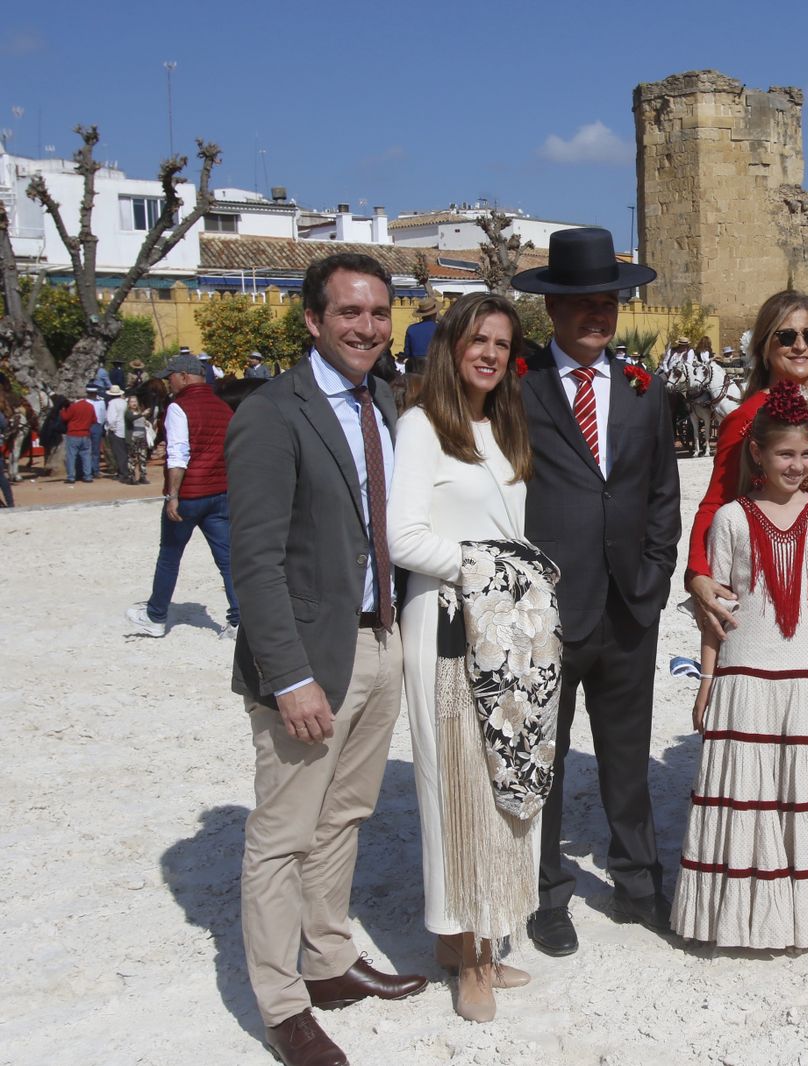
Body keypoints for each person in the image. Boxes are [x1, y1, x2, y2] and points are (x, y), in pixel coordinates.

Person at [228, 254, 427, 1066]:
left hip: (380, 641)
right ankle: (282, 1006)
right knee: (282, 835)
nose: (367, 327)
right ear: (312, 320)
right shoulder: (274, 415)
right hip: (311, 657)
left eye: (379, 313)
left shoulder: (383, 400)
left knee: (344, 817)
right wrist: (290, 676)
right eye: (349, 312)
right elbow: (256, 561)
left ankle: (329, 960)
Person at [512, 227, 682, 954]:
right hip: (547, 610)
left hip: (628, 606)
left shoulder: (645, 391)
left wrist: (653, 571)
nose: (597, 316)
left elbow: (662, 492)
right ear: (552, 310)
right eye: (582, 304)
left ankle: (639, 882)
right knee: (542, 758)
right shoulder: (520, 391)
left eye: (608, 302)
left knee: (627, 754)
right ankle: (546, 893)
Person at [388, 292, 553, 1022]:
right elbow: (403, 538)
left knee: (504, 783)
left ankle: (475, 941)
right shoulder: (422, 425)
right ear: (451, 345)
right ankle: (470, 957)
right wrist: (487, 567)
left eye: (501, 342)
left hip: (511, 637)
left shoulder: (503, 426)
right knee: (457, 787)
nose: (489, 353)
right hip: (452, 626)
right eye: (476, 339)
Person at [672, 381, 808, 949]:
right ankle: (742, 919)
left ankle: (807, 915)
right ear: (757, 453)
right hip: (745, 678)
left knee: (802, 798)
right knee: (749, 802)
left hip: (806, 679)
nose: (797, 465)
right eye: (785, 454)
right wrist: (706, 680)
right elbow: (720, 611)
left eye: (806, 455)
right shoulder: (732, 519)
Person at [684, 291, 808, 640]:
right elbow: (716, 502)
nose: (800, 346)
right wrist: (698, 571)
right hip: (767, 582)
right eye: (786, 336)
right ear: (764, 345)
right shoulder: (745, 418)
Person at [125, 353, 240, 638]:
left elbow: (178, 454)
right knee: (227, 559)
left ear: (185, 376)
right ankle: (239, 620)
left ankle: (155, 616)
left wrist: (172, 494)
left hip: (189, 494)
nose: (168, 382)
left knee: (170, 556)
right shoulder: (223, 407)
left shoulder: (179, 407)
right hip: (220, 493)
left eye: (171, 377)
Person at [61, 390, 97, 484]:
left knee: (71, 456)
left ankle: (71, 477)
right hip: (86, 434)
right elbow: (94, 420)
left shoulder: (73, 407)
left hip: (73, 434)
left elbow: (65, 417)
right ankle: (88, 476)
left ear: (76, 398)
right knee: (86, 456)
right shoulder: (90, 406)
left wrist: (63, 410)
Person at [403, 294, 440, 371]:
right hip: (435, 367)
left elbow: (407, 352)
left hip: (414, 367)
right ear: (435, 313)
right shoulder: (440, 328)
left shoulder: (411, 329)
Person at [104, 385, 131, 483]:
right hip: (125, 430)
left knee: (118, 453)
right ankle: (123, 471)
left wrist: (112, 429)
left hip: (116, 431)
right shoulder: (124, 402)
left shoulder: (112, 403)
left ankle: (123, 473)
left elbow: (111, 418)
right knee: (123, 452)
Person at [126, 392, 151, 485]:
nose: (134, 403)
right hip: (133, 438)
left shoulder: (139, 413)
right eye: (132, 401)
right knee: (132, 459)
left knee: (143, 457)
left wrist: (146, 422)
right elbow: (131, 418)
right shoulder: (128, 413)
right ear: (128, 403)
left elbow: (141, 420)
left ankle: (143, 476)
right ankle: (131, 477)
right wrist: (143, 414)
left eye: (135, 401)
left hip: (142, 438)